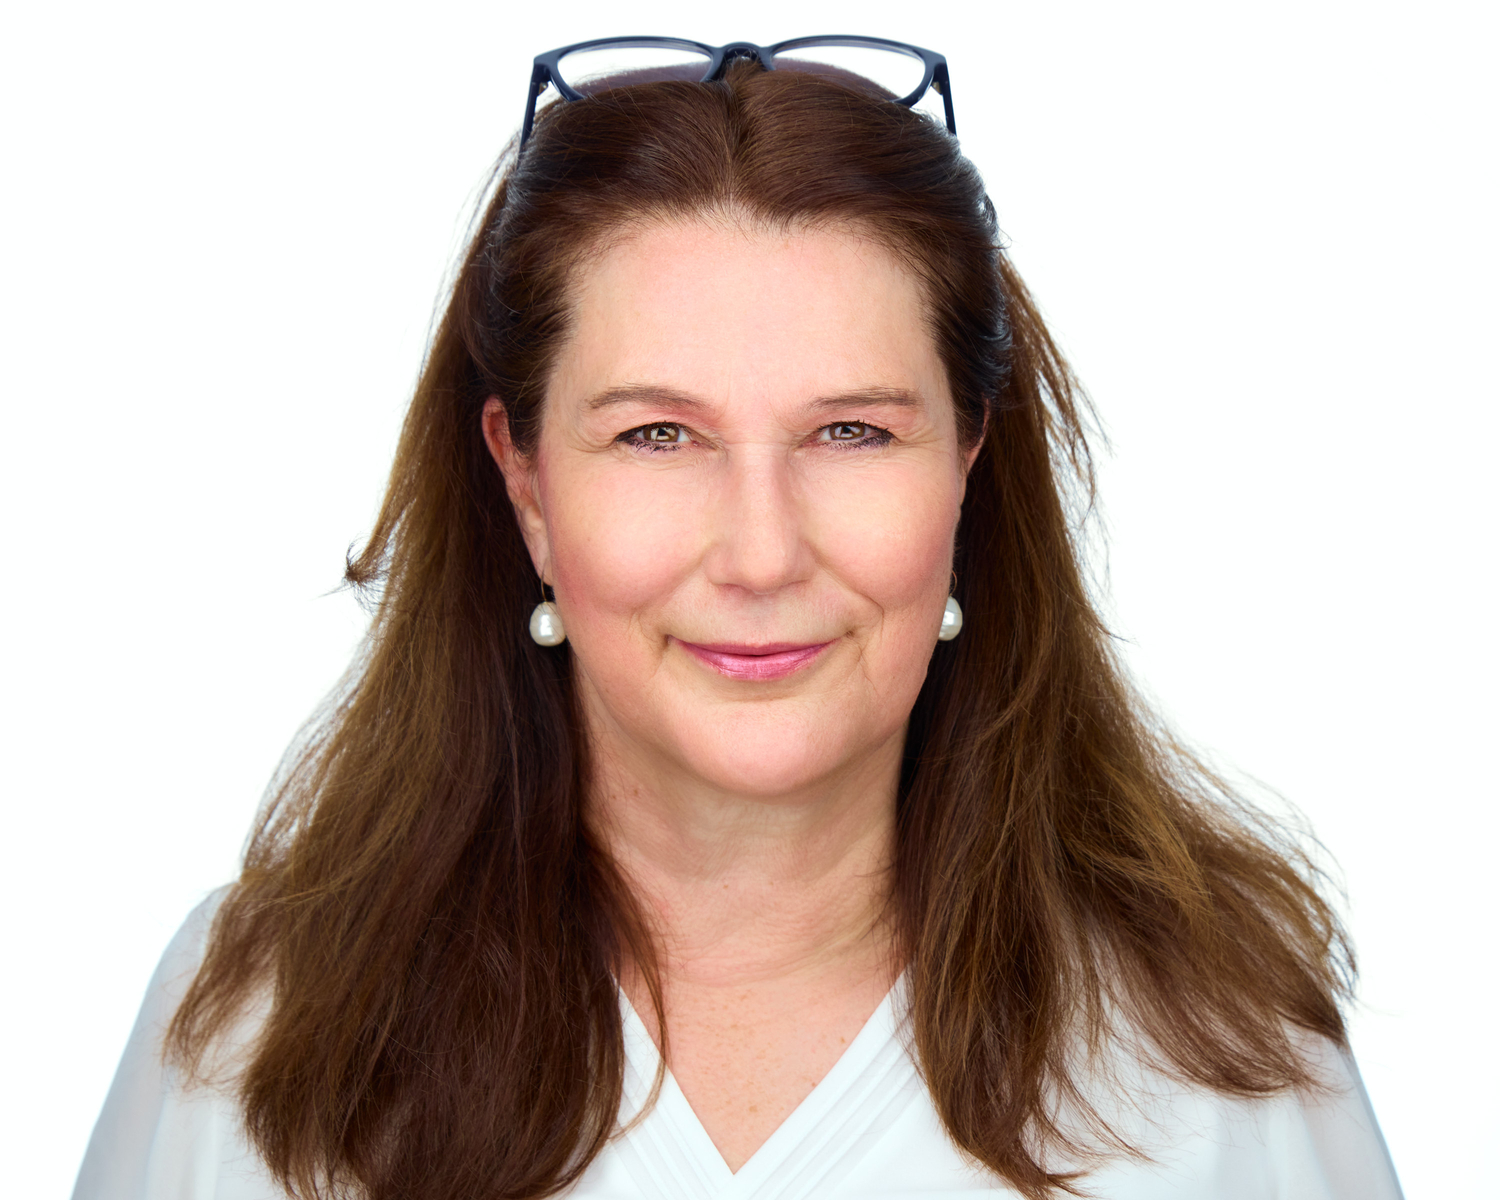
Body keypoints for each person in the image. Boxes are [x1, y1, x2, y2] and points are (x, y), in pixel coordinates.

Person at [73, 37, 1403, 1200]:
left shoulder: (1225, 1058)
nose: (762, 553)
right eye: (657, 435)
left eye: (851, 432)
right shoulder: (250, 1030)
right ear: (526, 484)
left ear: (967, 463)